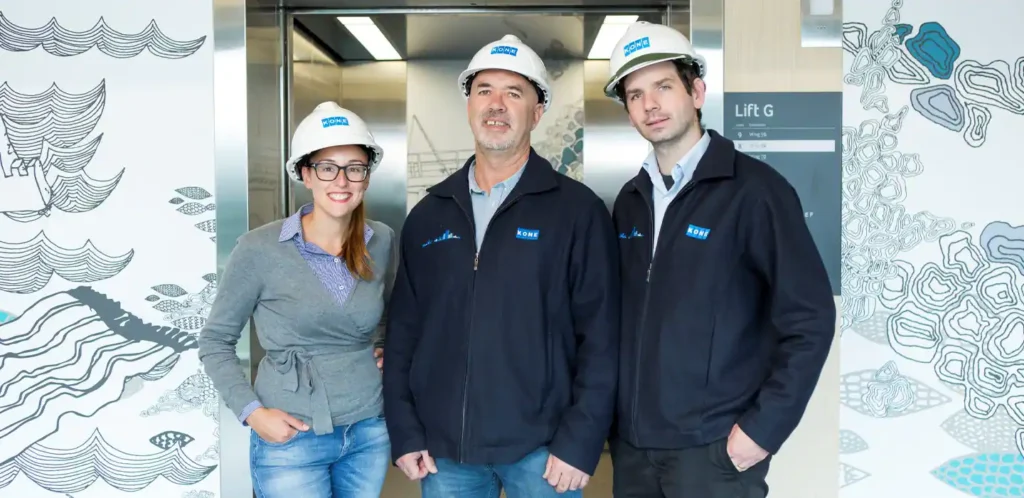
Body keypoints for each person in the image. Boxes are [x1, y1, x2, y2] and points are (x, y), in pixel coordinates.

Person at [604, 22, 837, 497]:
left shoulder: (755, 192)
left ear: (696, 91)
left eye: (664, 87)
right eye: (635, 95)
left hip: (713, 453)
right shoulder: (630, 201)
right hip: (633, 451)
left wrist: (763, 430)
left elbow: (810, 319)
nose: (650, 105)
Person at [382, 34, 620, 498]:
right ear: (468, 105)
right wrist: (405, 430)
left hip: (545, 452)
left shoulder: (577, 212)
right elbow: (404, 333)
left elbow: (602, 339)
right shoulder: (430, 215)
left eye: (514, 93)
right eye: (484, 90)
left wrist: (581, 441)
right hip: (445, 453)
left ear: (537, 111)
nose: (496, 104)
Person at [197, 102, 399, 498]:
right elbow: (214, 342)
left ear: (367, 178)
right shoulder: (259, 248)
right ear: (306, 174)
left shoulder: (382, 239)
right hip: (291, 436)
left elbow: (392, 315)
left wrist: (389, 347)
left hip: (369, 430)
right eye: (327, 167)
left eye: (354, 168)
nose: (341, 180)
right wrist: (253, 414)